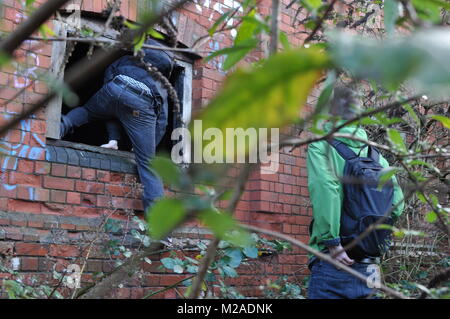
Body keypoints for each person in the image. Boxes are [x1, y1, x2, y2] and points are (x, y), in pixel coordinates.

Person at [306, 85, 405, 299]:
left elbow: (327, 190)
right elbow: (397, 203)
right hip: (370, 266)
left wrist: (332, 242)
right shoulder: (377, 156)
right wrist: (373, 236)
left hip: (336, 260)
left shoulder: (321, 146)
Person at [60, 38, 173, 215]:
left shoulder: (125, 60)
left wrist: (113, 136)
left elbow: (110, 94)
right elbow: (162, 121)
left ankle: (55, 130)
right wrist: (145, 148)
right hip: (141, 101)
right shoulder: (161, 83)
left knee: (87, 111)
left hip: (115, 86)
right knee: (149, 164)